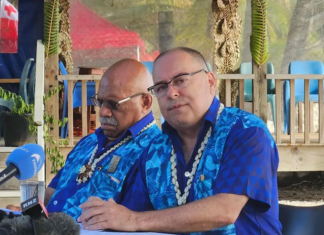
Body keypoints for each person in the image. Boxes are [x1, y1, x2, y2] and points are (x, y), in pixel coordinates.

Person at [77, 47, 282, 235]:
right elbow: (128, 212)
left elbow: (225, 211)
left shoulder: (246, 131)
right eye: (160, 87)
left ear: (210, 82)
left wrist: (134, 220)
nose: (171, 93)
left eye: (181, 80)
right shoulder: (155, 151)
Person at [43, 58, 161, 219]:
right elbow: (51, 195)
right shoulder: (88, 142)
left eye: (114, 104)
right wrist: (24, 211)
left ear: (145, 102)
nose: (103, 112)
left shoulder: (155, 152)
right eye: (100, 102)